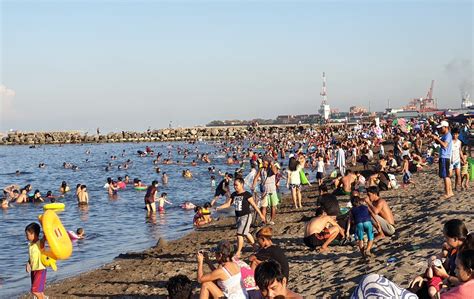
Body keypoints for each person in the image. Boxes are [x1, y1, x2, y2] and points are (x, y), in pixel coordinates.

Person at [216, 177, 266, 257]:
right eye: (234, 185)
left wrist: (261, 215)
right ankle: (255, 246)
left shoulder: (247, 194)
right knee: (245, 233)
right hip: (238, 217)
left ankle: (238, 252)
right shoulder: (234, 194)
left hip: (245, 216)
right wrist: (219, 207)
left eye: (236, 185)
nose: (235, 186)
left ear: (242, 184)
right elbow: (228, 204)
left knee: (239, 234)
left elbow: (254, 205)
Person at [429, 120, 454, 199]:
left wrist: (437, 138)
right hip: (444, 157)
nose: (440, 130)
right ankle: (450, 192)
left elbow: (444, 145)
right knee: (447, 175)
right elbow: (439, 143)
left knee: (445, 176)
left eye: (441, 128)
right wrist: (434, 138)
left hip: (444, 157)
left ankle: (447, 193)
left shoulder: (448, 135)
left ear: (446, 127)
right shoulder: (445, 135)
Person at [252, 156, 279, 225]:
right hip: (264, 190)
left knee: (273, 206)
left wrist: (272, 164)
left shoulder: (272, 168)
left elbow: (275, 172)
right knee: (263, 206)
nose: (262, 162)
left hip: (272, 189)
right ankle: (263, 220)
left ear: (268, 162)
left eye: (264, 161)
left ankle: (272, 220)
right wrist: (253, 186)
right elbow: (256, 178)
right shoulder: (261, 169)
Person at [25, 222, 47, 299]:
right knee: (38, 291)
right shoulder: (30, 245)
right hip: (34, 270)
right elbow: (31, 256)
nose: (26, 237)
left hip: (40, 269)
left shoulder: (40, 242)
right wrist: (28, 263)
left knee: (35, 291)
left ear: (34, 234)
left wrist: (46, 226)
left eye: (27, 235)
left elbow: (46, 236)